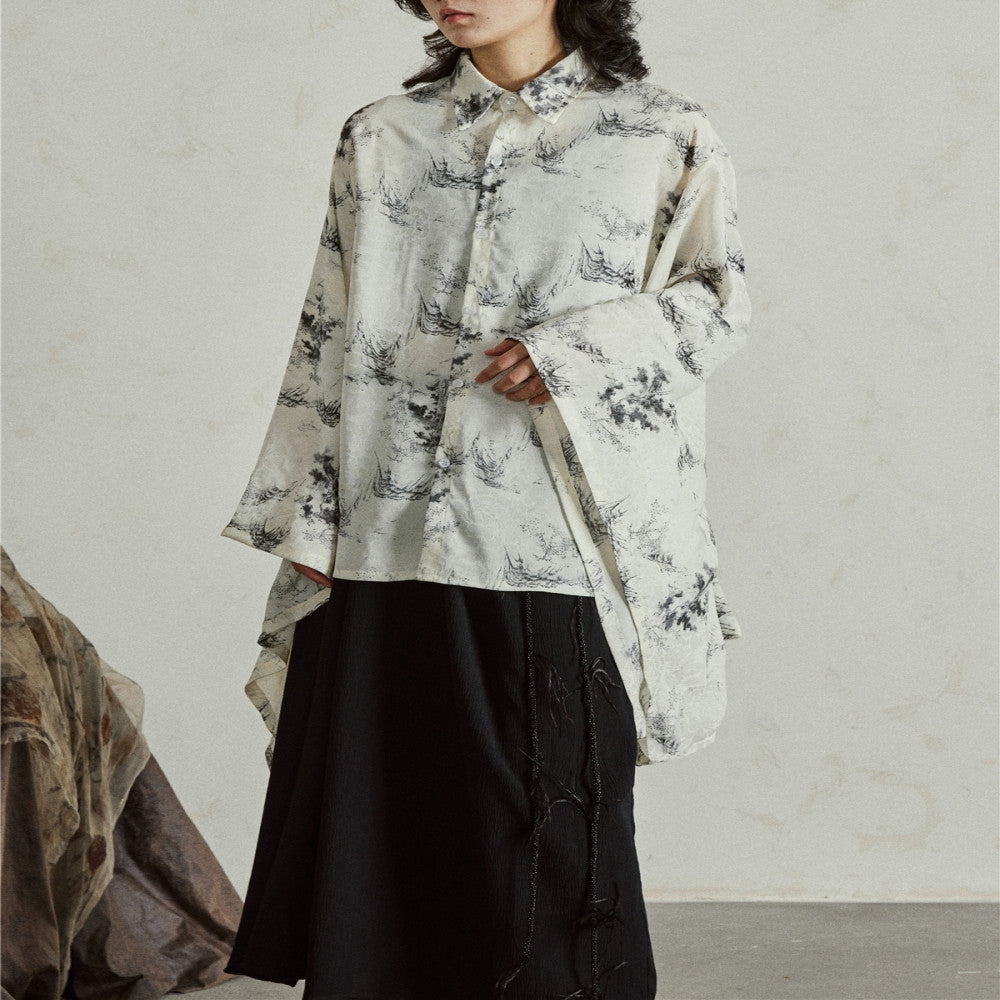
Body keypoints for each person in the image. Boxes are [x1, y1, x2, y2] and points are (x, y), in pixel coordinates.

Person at [221, 1, 751, 997]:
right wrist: (307, 519)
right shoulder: (381, 135)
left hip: (552, 541)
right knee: (386, 845)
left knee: (551, 849)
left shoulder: (658, 132)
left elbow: (716, 301)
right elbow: (327, 329)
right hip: (382, 537)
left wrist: (571, 354)